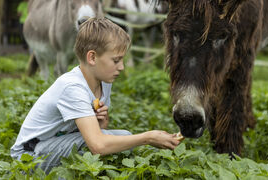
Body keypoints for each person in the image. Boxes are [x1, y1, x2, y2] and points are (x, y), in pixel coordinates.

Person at [10, 18, 180, 174]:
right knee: (117, 140)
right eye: (116, 60)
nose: (121, 67)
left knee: (122, 137)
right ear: (92, 57)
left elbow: (97, 134)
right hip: (28, 157)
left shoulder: (104, 81)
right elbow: (97, 145)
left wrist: (101, 124)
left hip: (55, 146)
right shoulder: (73, 87)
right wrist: (148, 137)